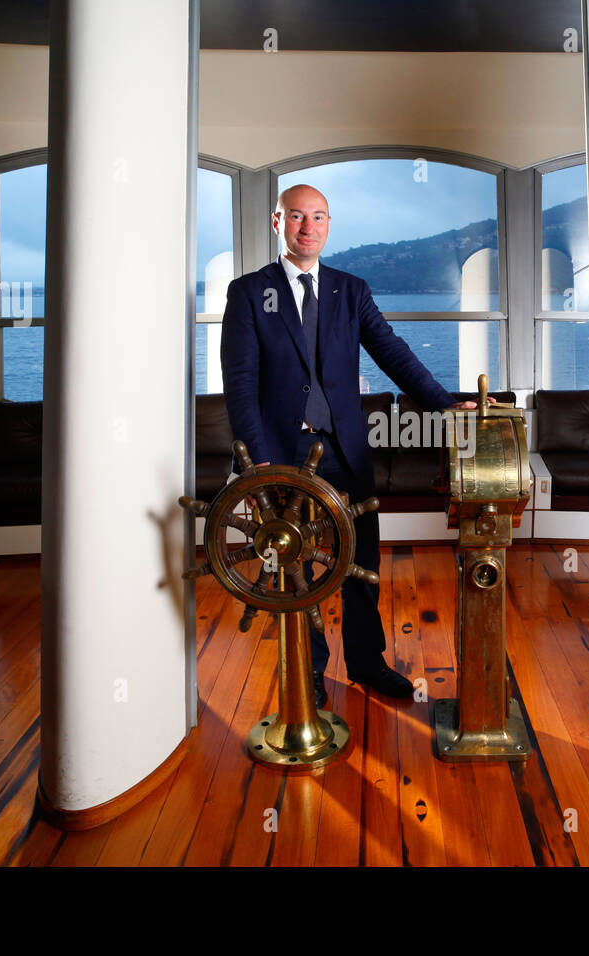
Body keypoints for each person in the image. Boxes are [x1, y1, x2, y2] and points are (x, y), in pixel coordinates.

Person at [220, 183, 484, 708]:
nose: (307, 227)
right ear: (278, 223)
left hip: (345, 451)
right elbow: (240, 382)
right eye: (296, 217)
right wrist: (257, 463)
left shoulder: (350, 289)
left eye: (317, 217)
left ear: (329, 224)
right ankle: (310, 674)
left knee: (361, 566)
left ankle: (367, 664)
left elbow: (391, 351)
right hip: (281, 457)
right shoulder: (249, 292)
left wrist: (443, 403)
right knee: (297, 570)